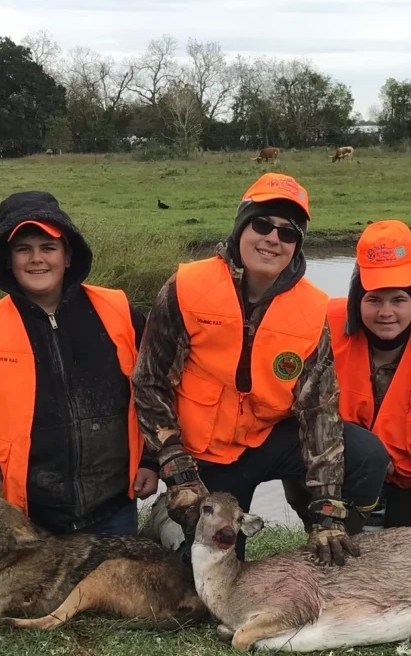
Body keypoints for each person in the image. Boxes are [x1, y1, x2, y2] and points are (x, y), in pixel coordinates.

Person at [132, 172, 389, 564]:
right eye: (263, 224)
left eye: (288, 233)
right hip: (203, 454)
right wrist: (177, 468)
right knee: (207, 575)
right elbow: (149, 383)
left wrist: (328, 513)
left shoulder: (310, 309)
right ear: (241, 227)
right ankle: (165, 518)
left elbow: (320, 415)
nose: (273, 239)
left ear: (296, 246)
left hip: (267, 440)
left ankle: (329, 543)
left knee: (367, 454)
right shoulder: (186, 287)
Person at [0, 191, 158, 535]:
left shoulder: (119, 312)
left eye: (48, 247)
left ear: (68, 255)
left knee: (110, 591)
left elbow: (152, 393)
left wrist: (150, 460)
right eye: (23, 249)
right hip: (28, 520)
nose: (36, 259)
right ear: (7, 259)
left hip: (113, 508)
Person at [291, 220, 411, 528]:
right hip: (342, 477)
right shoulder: (320, 329)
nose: (385, 313)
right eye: (373, 300)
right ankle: (327, 528)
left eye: (398, 300)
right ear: (357, 299)